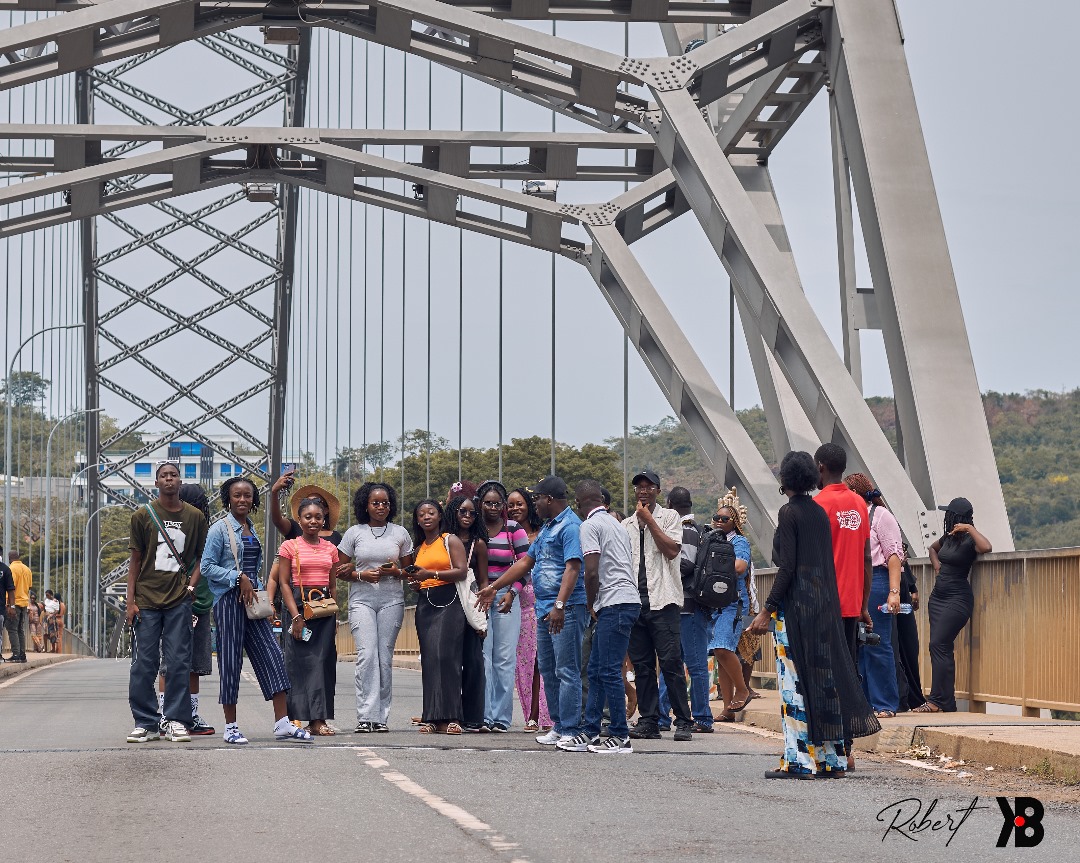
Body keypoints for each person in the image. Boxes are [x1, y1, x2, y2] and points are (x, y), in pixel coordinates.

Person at [748, 451, 880, 778]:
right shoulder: (819, 513)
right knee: (824, 683)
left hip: (798, 610)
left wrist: (767, 610)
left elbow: (787, 568)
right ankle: (832, 760)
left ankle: (799, 761)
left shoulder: (789, 512)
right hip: (825, 607)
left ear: (785, 479)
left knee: (794, 684)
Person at [478, 476, 585, 747]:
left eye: (536, 498)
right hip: (544, 608)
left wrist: (560, 605)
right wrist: (494, 587)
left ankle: (571, 730)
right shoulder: (548, 528)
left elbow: (573, 567)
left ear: (549, 499)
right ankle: (559, 726)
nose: (534, 503)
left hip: (565, 608)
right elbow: (525, 562)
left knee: (566, 670)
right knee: (549, 669)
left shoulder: (571, 526)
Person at [202, 476, 309, 744]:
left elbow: (254, 568)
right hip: (229, 601)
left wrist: (265, 599)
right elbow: (206, 567)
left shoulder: (250, 527)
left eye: (247, 495)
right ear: (228, 499)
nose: (242, 499)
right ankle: (231, 727)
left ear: (253, 500)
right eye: (237, 495)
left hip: (253, 602)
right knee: (231, 662)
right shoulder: (219, 529)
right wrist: (237, 577)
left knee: (272, 655)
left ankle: (282, 723)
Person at [125, 462, 208, 743]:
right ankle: (146, 722)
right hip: (146, 600)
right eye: (164, 475)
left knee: (178, 662)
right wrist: (130, 602)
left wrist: (191, 586)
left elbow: (202, 557)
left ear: (180, 481)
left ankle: (175, 720)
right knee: (143, 664)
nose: (169, 479)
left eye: (173, 475)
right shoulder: (142, 515)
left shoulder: (195, 516)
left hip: (178, 600)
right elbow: (135, 561)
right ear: (156, 482)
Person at [558, 480, 639, 753]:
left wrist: (590, 602)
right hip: (623, 601)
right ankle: (591, 732)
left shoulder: (589, 525)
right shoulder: (616, 524)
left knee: (608, 671)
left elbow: (591, 572)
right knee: (595, 670)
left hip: (614, 602)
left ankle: (620, 736)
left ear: (579, 503)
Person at [337, 482, 414, 733]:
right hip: (362, 600)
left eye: (385, 503)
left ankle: (380, 718)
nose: (381, 507)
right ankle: (365, 716)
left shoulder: (400, 533)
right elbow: (340, 571)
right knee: (367, 655)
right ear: (366, 505)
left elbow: (410, 572)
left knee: (384, 658)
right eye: (375, 503)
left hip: (392, 600)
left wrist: (396, 572)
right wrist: (361, 575)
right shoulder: (354, 533)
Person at [622, 470, 693, 741]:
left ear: (658, 491)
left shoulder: (670, 517)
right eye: (639, 486)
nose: (643, 490)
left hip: (663, 601)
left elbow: (672, 550)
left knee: (671, 663)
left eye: (649, 486)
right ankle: (649, 721)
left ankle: (683, 721)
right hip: (635, 602)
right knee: (642, 666)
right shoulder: (627, 524)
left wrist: (649, 520)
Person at [813, 443, 871, 768]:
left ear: (820, 467)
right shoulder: (859, 504)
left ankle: (827, 748)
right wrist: (863, 604)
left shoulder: (818, 504)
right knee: (848, 675)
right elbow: (866, 558)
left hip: (824, 606)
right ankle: (847, 750)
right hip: (851, 606)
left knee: (825, 676)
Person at [913, 497, 992, 713]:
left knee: (938, 644)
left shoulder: (969, 539)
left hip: (957, 599)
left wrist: (969, 528)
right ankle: (945, 702)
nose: (946, 517)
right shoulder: (948, 538)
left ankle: (936, 701)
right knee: (940, 647)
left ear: (957, 517)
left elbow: (986, 547)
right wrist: (937, 565)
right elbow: (932, 548)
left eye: (949, 514)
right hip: (938, 598)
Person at [156, 484, 216, 736]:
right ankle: (168, 716)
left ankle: (184, 716)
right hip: (180, 604)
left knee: (191, 665)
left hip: (198, 605)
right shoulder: (175, 532)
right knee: (173, 664)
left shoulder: (207, 533)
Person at [277, 497, 340, 736]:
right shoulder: (289, 546)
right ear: (299, 519)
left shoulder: (331, 549)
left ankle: (318, 720)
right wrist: (295, 617)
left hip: (323, 607)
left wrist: (335, 615)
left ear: (324, 519)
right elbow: (284, 583)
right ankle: (294, 718)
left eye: (318, 517)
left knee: (322, 663)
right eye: (308, 517)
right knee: (296, 663)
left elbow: (332, 586)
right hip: (298, 606)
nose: (313, 521)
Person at [407, 498, 470, 734]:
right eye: (421, 514)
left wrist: (431, 574)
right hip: (426, 602)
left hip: (450, 601)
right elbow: (420, 577)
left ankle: (452, 717)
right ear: (417, 520)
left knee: (447, 657)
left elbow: (462, 571)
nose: (426, 517)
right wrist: (417, 583)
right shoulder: (419, 548)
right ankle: (432, 717)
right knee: (430, 659)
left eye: (431, 512)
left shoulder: (449, 540)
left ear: (440, 515)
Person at [844, 473, 903, 718]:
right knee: (857, 644)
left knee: (877, 642)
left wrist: (894, 592)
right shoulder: (850, 517)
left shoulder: (880, 516)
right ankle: (864, 702)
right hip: (853, 580)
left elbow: (894, 555)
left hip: (877, 580)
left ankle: (885, 703)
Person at [657, 487, 712, 733]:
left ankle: (702, 718)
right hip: (681, 608)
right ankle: (661, 715)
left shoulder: (686, 530)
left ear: (670, 504)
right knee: (671, 663)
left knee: (695, 665)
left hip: (689, 607)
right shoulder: (690, 529)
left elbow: (686, 563)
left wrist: (661, 570)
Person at [477, 480, 530, 733]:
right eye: (488, 503)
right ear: (480, 504)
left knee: (505, 658)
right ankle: (484, 715)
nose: (493, 508)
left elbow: (526, 566)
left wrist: (512, 592)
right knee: (483, 657)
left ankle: (501, 717)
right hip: (479, 597)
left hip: (506, 597)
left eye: (498, 503)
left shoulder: (514, 529)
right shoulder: (474, 528)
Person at [506, 487, 551, 733]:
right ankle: (530, 714)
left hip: (540, 602)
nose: (515, 508)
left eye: (519, 503)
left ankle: (542, 715)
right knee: (523, 664)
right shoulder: (505, 535)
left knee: (540, 662)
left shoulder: (542, 533)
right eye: (510, 505)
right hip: (515, 604)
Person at [709, 489, 753, 723]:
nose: (719, 521)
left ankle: (743, 690)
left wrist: (715, 565)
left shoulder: (739, 541)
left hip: (733, 603)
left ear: (734, 522)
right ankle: (728, 709)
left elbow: (740, 567)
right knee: (720, 655)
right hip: (715, 604)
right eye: (716, 517)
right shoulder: (712, 540)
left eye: (724, 519)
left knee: (723, 648)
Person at [445, 494, 489, 732]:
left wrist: (483, 614)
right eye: (462, 511)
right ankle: (450, 714)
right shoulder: (443, 540)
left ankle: (473, 717)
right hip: (445, 606)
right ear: (453, 512)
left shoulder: (477, 543)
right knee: (449, 663)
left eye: (472, 513)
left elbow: (483, 580)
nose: (468, 516)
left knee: (473, 663)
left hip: (469, 607)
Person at [270, 471, 344, 546]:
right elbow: (277, 520)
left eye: (317, 502)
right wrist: (274, 492)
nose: (312, 504)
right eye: (307, 501)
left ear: (326, 510)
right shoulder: (294, 528)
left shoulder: (335, 537)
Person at [5, 550, 33, 663]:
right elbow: (29, 587)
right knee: (20, 629)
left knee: (12, 629)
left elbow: (11, 588)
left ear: (9, 558)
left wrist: (9, 605)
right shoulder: (27, 569)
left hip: (14, 603)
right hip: (24, 603)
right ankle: (22, 654)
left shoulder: (11, 569)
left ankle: (16, 654)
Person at [0, 548, 14, 662]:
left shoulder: (5, 569)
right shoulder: (5, 569)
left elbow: (10, 589)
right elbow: (10, 590)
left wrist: (11, 606)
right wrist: (12, 606)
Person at [43, 590, 61, 654]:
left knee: (52, 633)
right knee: (45, 633)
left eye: (48, 595)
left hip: (51, 618)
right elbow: (45, 608)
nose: (47, 596)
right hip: (46, 617)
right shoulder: (46, 600)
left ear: (51, 595)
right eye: (46, 595)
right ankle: (45, 649)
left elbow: (57, 610)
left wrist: (52, 614)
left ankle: (53, 649)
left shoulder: (55, 601)